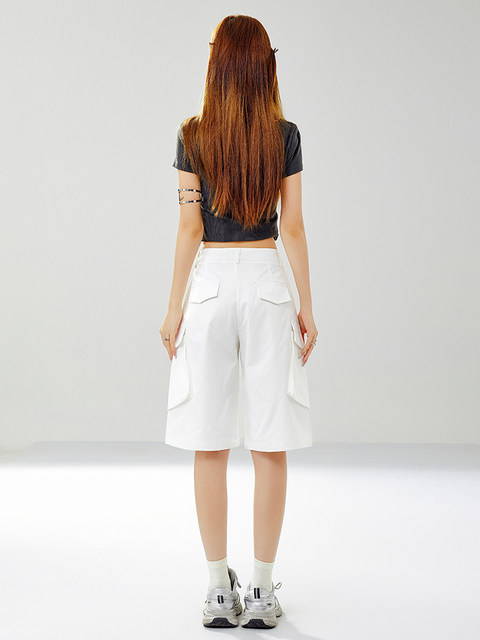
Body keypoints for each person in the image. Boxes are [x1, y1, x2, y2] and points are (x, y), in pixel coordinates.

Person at [159, 14, 318, 630]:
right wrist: (306, 306)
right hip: (268, 283)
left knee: (210, 440)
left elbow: (189, 228)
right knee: (269, 440)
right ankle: (260, 589)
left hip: (209, 286)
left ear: (217, 64)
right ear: (263, 65)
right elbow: (293, 227)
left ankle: (215, 590)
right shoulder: (285, 136)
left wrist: (174, 308)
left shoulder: (192, 135)